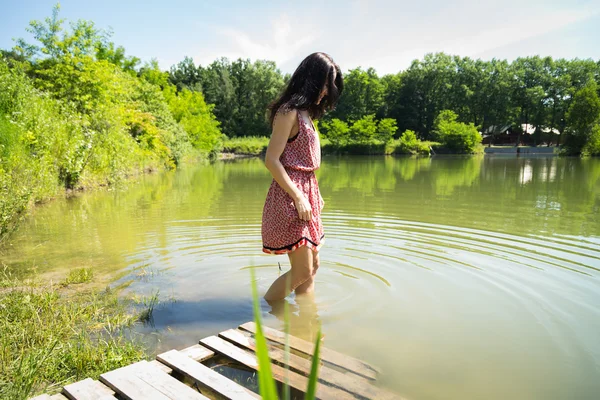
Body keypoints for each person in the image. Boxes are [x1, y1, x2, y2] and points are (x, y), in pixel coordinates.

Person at [261, 52, 343, 302]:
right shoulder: (289, 112)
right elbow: (271, 160)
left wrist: (313, 196)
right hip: (291, 196)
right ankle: (264, 311)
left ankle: (305, 324)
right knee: (302, 270)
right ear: (314, 80)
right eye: (327, 84)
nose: (328, 92)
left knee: (312, 269)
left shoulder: (307, 114)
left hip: (307, 193)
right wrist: (298, 196)